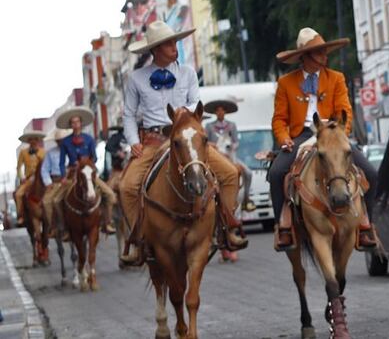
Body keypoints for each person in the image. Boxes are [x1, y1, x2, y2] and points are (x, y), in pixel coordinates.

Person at [119, 20, 247, 265]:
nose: (174, 46)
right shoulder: (136, 79)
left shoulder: (188, 73)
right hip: (154, 140)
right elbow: (128, 114)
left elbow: (195, 102)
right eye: (168, 43)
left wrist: (181, 116)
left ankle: (226, 228)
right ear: (155, 49)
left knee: (231, 173)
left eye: (175, 42)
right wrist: (134, 141)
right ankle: (139, 240)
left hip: (188, 138)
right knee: (126, 187)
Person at [269, 27, 377, 251]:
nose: (324, 57)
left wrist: (339, 135)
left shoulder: (336, 78)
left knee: (372, 174)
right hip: (302, 135)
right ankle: (283, 226)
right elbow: (279, 120)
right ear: (305, 57)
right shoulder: (286, 83)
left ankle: (367, 226)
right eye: (319, 53)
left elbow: (345, 112)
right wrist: (284, 139)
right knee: (277, 172)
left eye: (324, 52)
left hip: (332, 134)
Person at [55, 108, 117, 234]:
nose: (75, 124)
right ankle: (64, 227)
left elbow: (94, 157)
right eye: (73, 122)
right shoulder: (65, 142)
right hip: (73, 173)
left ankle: (107, 222)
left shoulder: (89, 139)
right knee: (56, 200)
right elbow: (61, 162)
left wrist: (86, 162)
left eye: (77, 122)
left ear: (81, 123)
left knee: (110, 195)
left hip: (88, 172)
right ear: (70, 125)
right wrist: (63, 176)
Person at [205, 99, 253, 211]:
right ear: (215, 112)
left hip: (230, 155)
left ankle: (247, 199)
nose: (220, 112)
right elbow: (206, 141)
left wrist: (231, 145)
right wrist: (215, 146)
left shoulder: (232, 125)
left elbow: (236, 141)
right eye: (218, 110)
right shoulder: (209, 126)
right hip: (216, 156)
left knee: (248, 173)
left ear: (225, 112)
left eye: (222, 110)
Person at [40, 127, 72, 237]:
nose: (61, 142)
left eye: (62, 139)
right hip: (56, 182)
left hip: (72, 180)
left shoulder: (71, 149)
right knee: (47, 201)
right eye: (59, 140)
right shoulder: (50, 153)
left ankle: (102, 221)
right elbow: (44, 169)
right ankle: (53, 226)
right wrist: (48, 183)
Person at [13, 128, 46, 227]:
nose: (33, 141)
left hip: (42, 178)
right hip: (28, 179)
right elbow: (19, 167)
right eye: (31, 139)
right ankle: (20, 215)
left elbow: (46, 166)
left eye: (35, 139)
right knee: (18, 194)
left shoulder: (43, 152)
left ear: (38, 140)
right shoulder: (23, 152)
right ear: (28, 141)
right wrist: (22, 177)